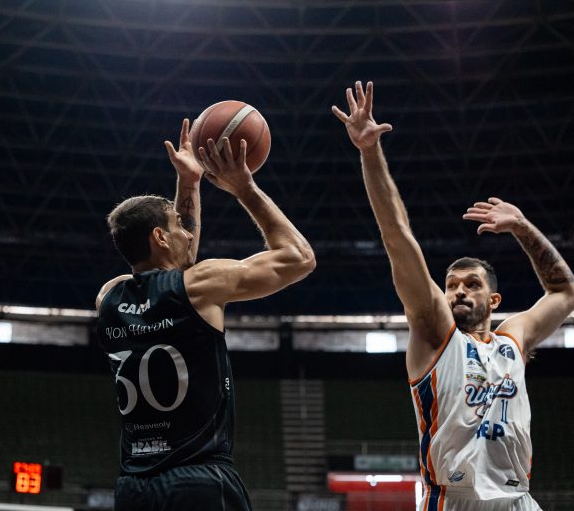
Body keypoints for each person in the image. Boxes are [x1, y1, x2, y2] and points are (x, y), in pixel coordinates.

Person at [332, 81, 574, 511]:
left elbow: (564, 290)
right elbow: (397, 236)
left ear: (494, 301)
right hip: (455, 500)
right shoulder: (435, 335)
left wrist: (522, 227)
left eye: (472, 284)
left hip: (519, 500)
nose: (459, 290)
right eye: (452, 285)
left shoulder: (512, 339)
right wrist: (370, 152)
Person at [95, 119, 315, 511]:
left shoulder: (109, 297)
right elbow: (299, 258)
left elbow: (176, 267)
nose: (187, 232)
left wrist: (190, 182)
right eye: (177, 226)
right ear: (160, 237)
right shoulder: (200, 285)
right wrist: (244, 188)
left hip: (133, 487)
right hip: (198, 481)